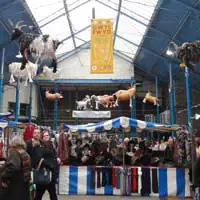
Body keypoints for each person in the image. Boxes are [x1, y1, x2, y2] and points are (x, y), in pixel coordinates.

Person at [0, 135, 31, 200]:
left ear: (14, 143)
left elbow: (14, 167)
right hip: (23, 186)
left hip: (14, 187)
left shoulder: (15, 153)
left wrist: (3, 175)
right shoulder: (25, 153)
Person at [34, 130, 60, 200]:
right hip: (43, 173)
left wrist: (57, 158)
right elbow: (39, 159)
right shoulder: (39, 145)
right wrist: (50, 165)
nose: (46, 137)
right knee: (38, 195)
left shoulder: (51, 144)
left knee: (53, 194)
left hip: (51, 174)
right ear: (42, 137)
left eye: (47, 135)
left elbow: (54, 155)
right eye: (44, 136)